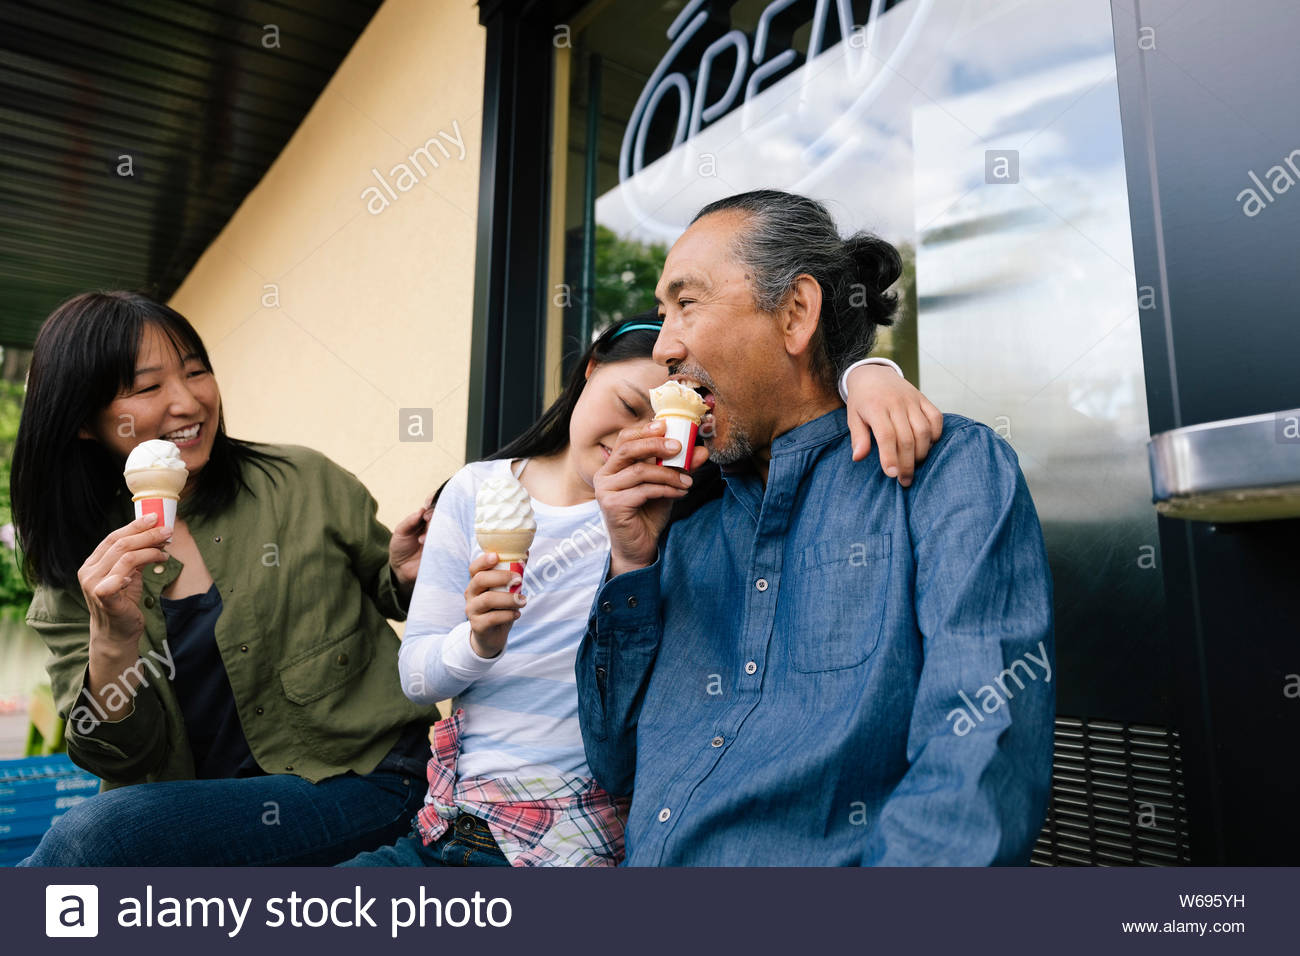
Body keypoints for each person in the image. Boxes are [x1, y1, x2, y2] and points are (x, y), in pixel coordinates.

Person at [339, 309, 944, 867]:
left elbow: (786, 421)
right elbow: (417, 678)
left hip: (574, 840)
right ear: (590, 369)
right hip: (451, 820)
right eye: (629, 406)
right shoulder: (479, 492)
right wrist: (478, 641)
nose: (634, 442)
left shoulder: (671, 518)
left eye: (664, 431)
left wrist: (866, 373)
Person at [579, 190, 1056, 866]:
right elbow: (613, 763)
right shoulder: (683, 525)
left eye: (687, 304)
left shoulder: (944, 474)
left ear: (796, 314)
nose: (663, 347)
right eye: (662, 314)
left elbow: (975, 766)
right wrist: (631, 564)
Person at [12, 291, 439, 866]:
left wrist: (411, 571)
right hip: (206, 813)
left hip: (367, 777)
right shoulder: (75, 572)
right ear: (85, 422)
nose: (188, 402)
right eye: (147, 387)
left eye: (196, 371)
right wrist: (113, 639)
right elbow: (119, 760)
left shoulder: (302, 481)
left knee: (97, 838)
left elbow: (391, 589)